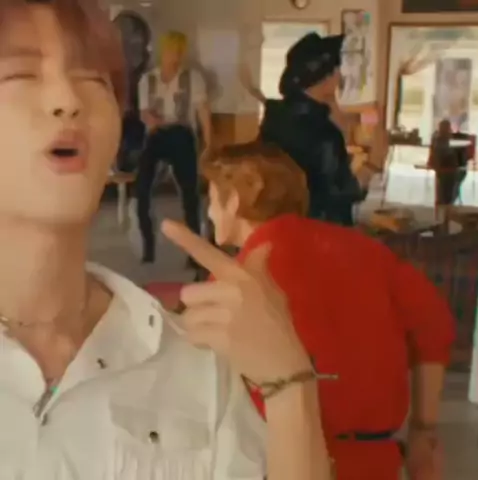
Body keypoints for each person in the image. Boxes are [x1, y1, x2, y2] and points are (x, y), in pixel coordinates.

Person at [0, 1, 330, 478]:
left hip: (182, 137)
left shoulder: (193, 362)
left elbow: (202, 116)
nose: (67, 100)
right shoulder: (155, 82)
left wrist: (290, 385)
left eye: (93, 79)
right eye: (20, 75)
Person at [202, 141, 456, 480]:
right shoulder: (369, 251)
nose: (209, 212)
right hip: (375, 458)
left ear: (233, 201)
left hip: (277, 459)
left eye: (211, 199)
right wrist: (423, 429)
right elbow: (434, 325)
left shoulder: (238, 276)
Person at [239, 33, 366, 226]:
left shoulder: (275, 117)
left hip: (277, 224)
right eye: (335, 69)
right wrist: (375, 163)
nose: (339, 75)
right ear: (324, 77)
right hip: (316, 231)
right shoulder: (324, 133)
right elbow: (342, 193)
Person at [136, 31, 212, 264]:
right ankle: (148, 246)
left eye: (179, 52)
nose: (175, 56)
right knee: (142, 191)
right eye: (171, 51)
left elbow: (203, 111)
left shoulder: (193, 78)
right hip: (156, 135)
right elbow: (143, 111)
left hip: (181, 134)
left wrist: (209, 143)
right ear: (163, 52)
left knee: (190, 195)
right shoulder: (148, 79)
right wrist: (150, 119)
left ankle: (194, 253)